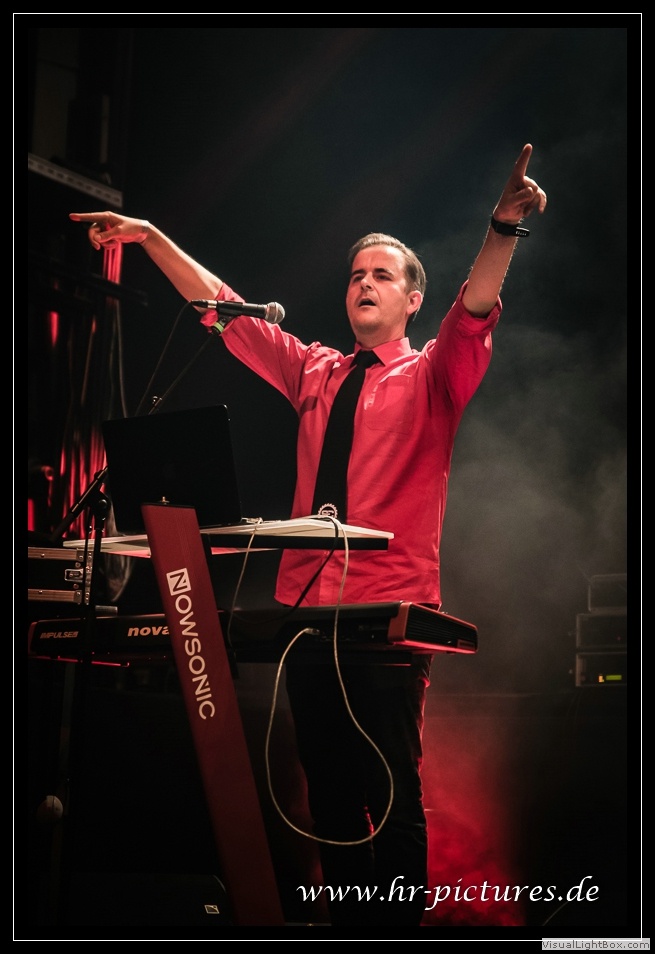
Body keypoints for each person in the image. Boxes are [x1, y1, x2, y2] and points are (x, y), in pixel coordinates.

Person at [69, 143, 547, 927]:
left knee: (389, 791)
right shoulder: (315, 371)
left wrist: (501, 226)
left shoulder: (434, 375)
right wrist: (150, 236)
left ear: (412, 300)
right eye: (355, 274)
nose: (363, 283)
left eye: (380, 275)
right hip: (305, 613)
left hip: (385, 614)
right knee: (327, 792)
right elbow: (224, 310)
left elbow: (475, 308)